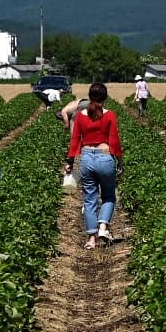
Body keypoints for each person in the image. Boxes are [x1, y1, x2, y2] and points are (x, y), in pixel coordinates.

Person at [65, 82, 121, 249]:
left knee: (89, 200)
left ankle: (91, 239)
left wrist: (69, 162)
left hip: (87, 159)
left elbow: (75, 140)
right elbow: (114, 141)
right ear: (105, 97)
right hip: (105, 158)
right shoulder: (110, 115)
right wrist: (120, 162)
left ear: (89, 96)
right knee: (109, 196)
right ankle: (103, 228)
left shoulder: (81, 116)